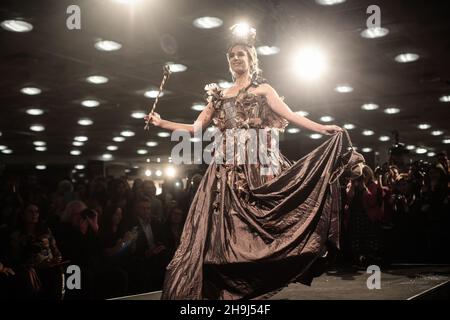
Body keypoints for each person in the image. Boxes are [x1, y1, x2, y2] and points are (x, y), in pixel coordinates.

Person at [145, 25, 352, 299]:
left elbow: (290, 115)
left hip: (256, 165)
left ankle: (264, 267)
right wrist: (161, 123)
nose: (236, 59)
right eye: (232, 55)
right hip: (225, 169)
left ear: (251, 59)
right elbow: (195, 129)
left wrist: (321, 128)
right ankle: (225, 283)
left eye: (241, 54)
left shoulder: (263, 90)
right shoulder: (219, 96)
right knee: (222, 230)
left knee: (262, 218)